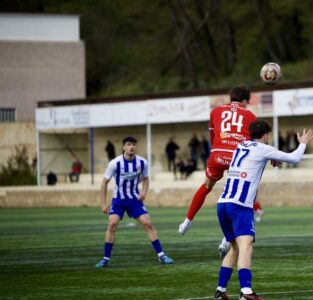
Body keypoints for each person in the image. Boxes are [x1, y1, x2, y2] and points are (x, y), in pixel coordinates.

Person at [213, 120, 313, 300]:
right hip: (240, 205)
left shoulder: (241, 145)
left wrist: (271, 158)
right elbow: (294, 158)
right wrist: (303, 143)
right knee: (246, 246)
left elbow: (252, 160)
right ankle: (246, 292)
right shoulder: (263, 148)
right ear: (265, 135)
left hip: (222, 203)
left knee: (235, 248)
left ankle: (221, 290)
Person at [178, 84, 258, 236]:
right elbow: (255, 144)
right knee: (246, 192)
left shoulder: (215, 112)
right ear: (245, 100)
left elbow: (212, 137)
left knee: (207, 185)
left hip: (217, 155)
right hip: (238, 158)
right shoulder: (251, 116)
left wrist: (215, 153)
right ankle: (229, 238)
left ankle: (187, 221)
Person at [95, 136, 173, 268]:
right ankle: (105, 259)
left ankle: (161, 255)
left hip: (134, 199)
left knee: (147, 223)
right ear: (124, 147)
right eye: (129, 144)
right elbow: (104, 183)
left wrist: (144, 192)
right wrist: (103, 203)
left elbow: (146, 179)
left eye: (134, 145)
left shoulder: (142, 163)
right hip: (119, 199)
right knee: (112, 224)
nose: (132, 147)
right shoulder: (115, 163)